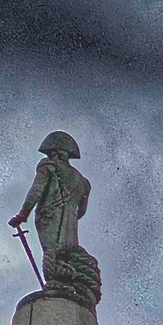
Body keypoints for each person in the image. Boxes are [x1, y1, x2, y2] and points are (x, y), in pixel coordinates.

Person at [9, 131, 101, 306]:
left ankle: (56, 285)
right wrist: (69, 214)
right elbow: (82, 210)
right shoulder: (82, 181)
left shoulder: (48, 166)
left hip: (49, 216)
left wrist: (23, 215)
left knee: (52, 252)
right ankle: (69, 283)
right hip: (70, 221)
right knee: (66, 251)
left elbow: (36, 191)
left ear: (56, 152)